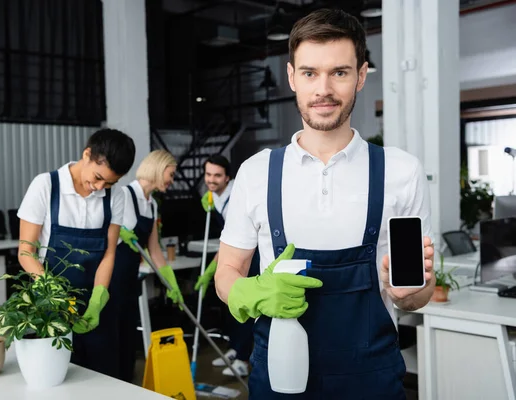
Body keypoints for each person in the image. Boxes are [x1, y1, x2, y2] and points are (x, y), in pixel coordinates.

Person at [214, 9, 436, 399]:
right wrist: (245, 293)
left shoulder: (402, 171)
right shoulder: (256, 172)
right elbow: (226, 272)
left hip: (371, 378)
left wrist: (410, 291)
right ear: (291, 77)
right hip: (281, 375)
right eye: (310, 73)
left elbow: (416, 297)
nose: (323, 90)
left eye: (340, 72)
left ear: (361, 76)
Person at [17, 128, 135, 376]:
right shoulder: (46, 185)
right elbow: (26, 251)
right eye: (98, 176)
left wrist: (98, 298)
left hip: (96, 306)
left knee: (103, 376)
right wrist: (51, 291)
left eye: (110, 182)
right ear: (87, 154)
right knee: (57, 375)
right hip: (51, 303)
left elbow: (109, 254)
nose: (100, 187)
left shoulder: (117, 196)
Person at [117, 149, 184, 382]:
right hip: (111, 277)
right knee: (112, 337)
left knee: (127, 337)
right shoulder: (123, 195)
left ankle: (126, 386)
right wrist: (117, 232)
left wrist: (170, 282)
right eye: (171, 174)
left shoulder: (152, 205)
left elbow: (154, 249)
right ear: (158, 168)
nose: (171, 180)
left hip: (129, 278)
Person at [194, 155, 257, 377]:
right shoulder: (213, 195)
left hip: (247, 257)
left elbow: (231, 245)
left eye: (217, 176)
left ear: (227, 178)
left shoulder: (235, 199)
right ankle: (234, 348)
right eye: (208, 174)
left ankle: (242, 358)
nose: (211, 180)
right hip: (232, 255)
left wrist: (211, 269)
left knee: (243, 305)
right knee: (228, 303)